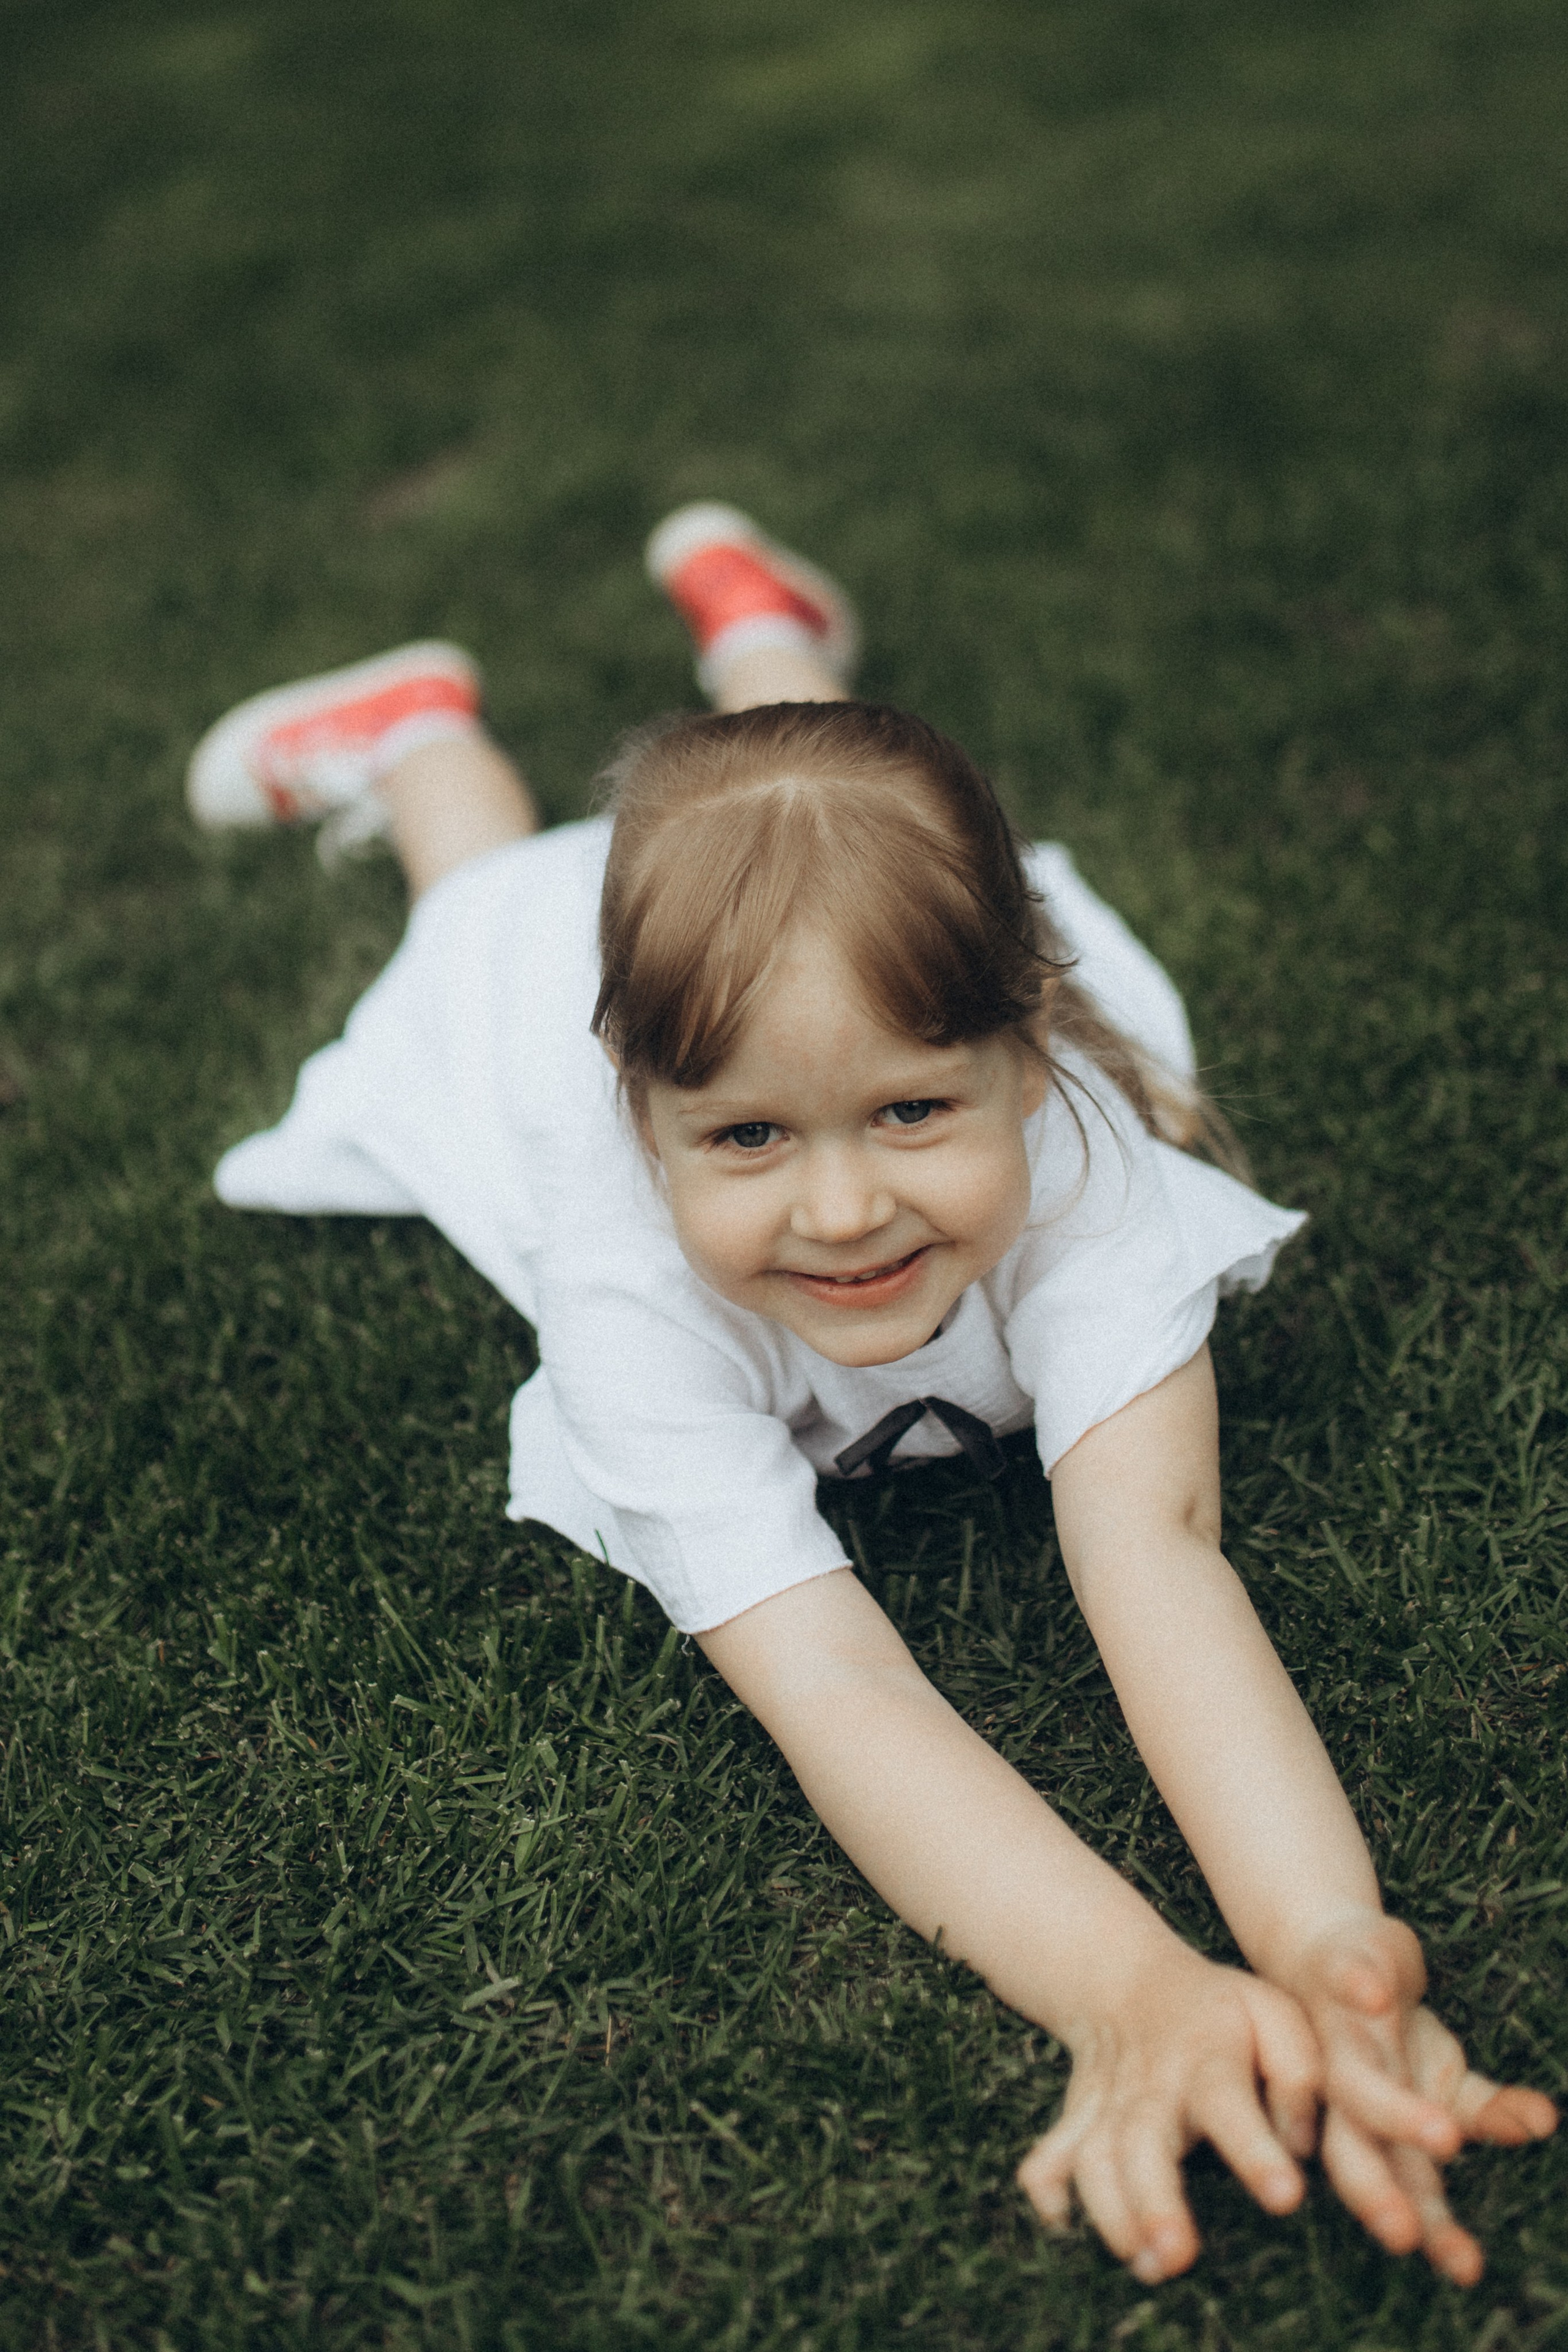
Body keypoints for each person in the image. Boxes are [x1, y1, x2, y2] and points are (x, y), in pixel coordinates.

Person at [189, 503, 1555, 2287]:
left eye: (915, 1112)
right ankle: (425, 733)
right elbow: (828, 1675)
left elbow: (1154, 1553)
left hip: (807, 899)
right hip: (544, 959)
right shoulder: (622, 1255)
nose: (840, 1214)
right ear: (641, 1111)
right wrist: (1127, 1991)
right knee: (477, 895)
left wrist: (1326, 1942)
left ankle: (766, 628)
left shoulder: (1079, 1160)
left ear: (1027, 1044)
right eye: (746, 1139)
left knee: (813, 800)